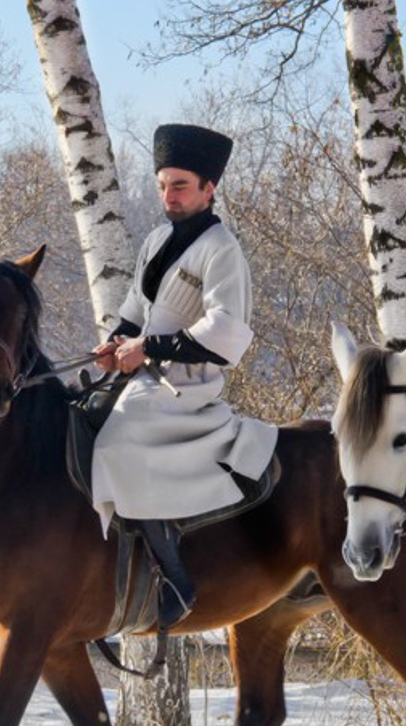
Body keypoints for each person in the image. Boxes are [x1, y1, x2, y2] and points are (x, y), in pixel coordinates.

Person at [90, 122, 278, 628]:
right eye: (162, 185)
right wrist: (114, 344)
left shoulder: (223, 250)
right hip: (142, 374)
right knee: (79, 415)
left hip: (187, 385)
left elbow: (225, 335)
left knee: (117, 443)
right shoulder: (156, 239)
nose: (168, 196)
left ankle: (176, 575)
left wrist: (146, 348)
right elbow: (134, 308)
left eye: (180, 186)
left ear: (209, 189)